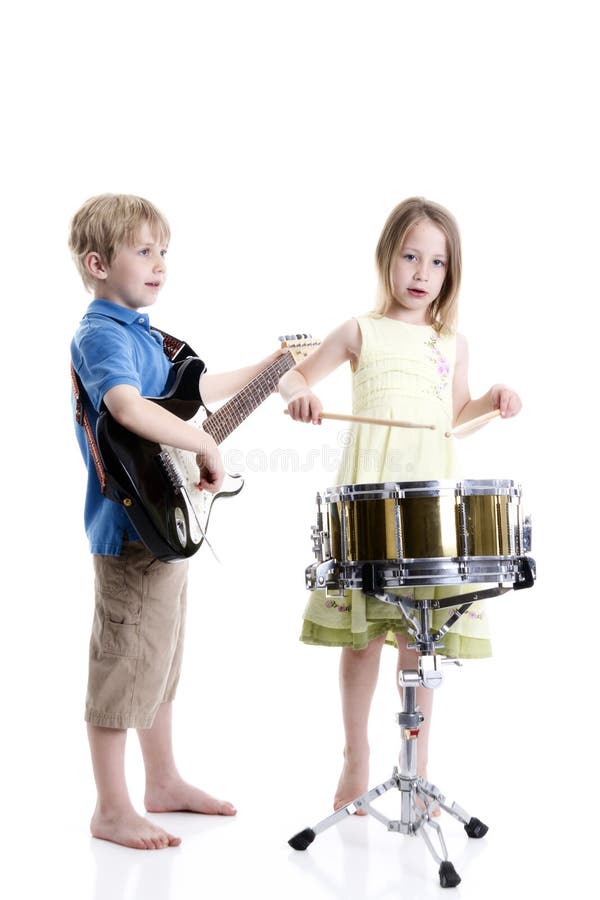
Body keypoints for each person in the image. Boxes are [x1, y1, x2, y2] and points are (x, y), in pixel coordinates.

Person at [279, 197, 521, 813]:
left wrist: (492, 398)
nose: (421, 272)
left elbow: (458, 416)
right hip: (370, 489)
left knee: (422, 637)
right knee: (361, 637)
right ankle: (355, 757)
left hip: (429, 499)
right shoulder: (361, 329)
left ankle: (418, 762)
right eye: (410, 256)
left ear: (450, 272)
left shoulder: (451, 341)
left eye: (436, 262)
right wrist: (301, 395)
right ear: (387, 256)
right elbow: (293, 376)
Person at [70, 193, 282, 849]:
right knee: (122, 664)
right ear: (98, 263)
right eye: (143, 250)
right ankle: (111, 807)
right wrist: (204, 445)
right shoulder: (101, 334)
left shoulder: (145, 333)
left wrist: (277, 367)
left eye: (164, 251)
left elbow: (199, 390)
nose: (159, 263)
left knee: (159, 662)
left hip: (164, 527)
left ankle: (162, 782)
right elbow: (128, 409)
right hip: (130, 531)